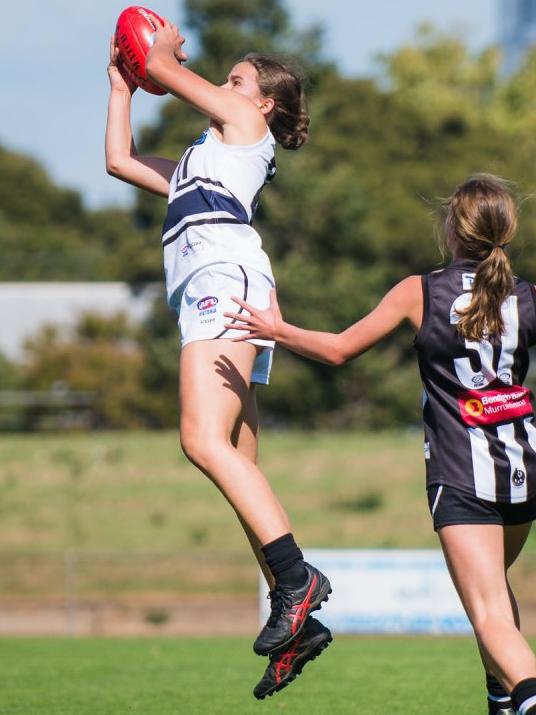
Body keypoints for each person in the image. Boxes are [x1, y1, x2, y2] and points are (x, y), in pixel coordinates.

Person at [225, 174, 536, 715]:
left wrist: (277, 329)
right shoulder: (529, 296)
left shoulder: (421, 290)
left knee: (487, 610)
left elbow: (341, 349)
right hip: (523, 470)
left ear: (452, 228)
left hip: (462, 473)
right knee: (496, 593)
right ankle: (502, 699)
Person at [105, 16, 331, 697]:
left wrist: (162, 56)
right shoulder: (204, 160)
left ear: (262, 102)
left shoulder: (244, 124)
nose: (223, 85)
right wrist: (121, 85)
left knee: (200, 439)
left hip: (221, 282)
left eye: (235, 78)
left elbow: (170, 74)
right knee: (238, 458)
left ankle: (298, 580)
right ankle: (297, 619)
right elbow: (119, 160)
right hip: (221, 287)